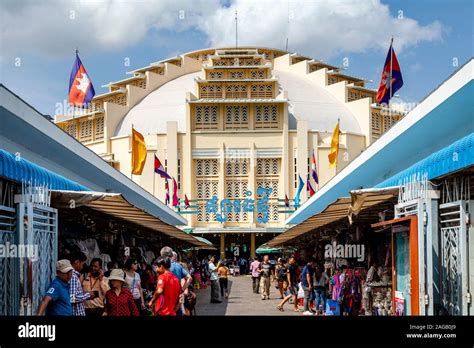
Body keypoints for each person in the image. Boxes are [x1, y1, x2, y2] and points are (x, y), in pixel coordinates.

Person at [69, 251, 94, 316]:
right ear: (77, 262)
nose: (82, 267)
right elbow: (72, 298)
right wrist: (88, 295)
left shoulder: (74, 275)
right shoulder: (73, 276)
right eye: (82, 264)